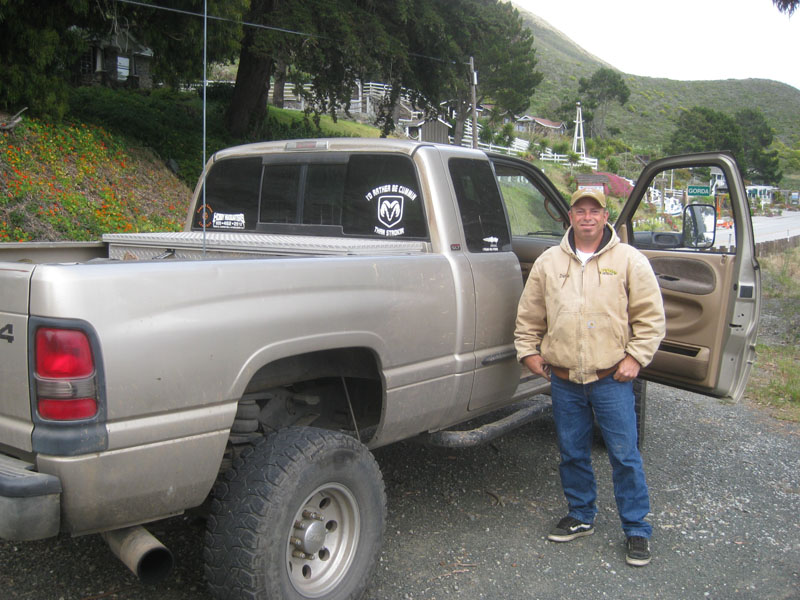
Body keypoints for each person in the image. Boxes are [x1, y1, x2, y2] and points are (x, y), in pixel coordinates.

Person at [514, 188, 665, 567]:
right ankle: (581, 515)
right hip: (564, 379)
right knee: (572, 451)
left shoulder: (630, 260)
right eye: (579, 210)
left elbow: (651, 318)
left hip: (611, 378)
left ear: (604, 216)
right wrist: (529, 351)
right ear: (570, 216)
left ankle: (636, 529)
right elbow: (529, 315)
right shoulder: (549, 262)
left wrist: (636, 357)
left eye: (593, 211)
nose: (586, 217)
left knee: (625, 455)